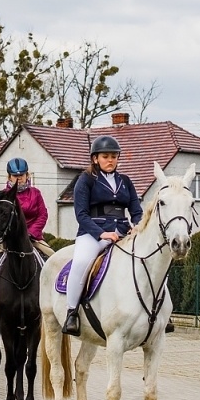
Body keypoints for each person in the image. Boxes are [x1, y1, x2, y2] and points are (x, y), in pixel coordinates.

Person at [63, 136, 141, 337]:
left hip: (123, 232)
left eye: (114, 156)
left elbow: (136, 210)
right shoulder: (86, 180)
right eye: (106, 156)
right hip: (93, 232)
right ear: (95, 159)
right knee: (80, 262)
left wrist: (138, 227)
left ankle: (159, 313)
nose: (110, 160)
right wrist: (101, 234)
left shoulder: (125, 181)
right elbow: (81, 215)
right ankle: (72, 312)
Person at [0, 157, 52, 308]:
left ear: (27, 175)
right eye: (15, 176)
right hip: (8, 240)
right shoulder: (3, 195)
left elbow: (42, 215)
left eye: (22, 175)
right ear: (9, 176)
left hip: (32, 237)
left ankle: (54, 294)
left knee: (53, 258)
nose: (19, 178)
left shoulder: (35, 193)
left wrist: (31, 232)